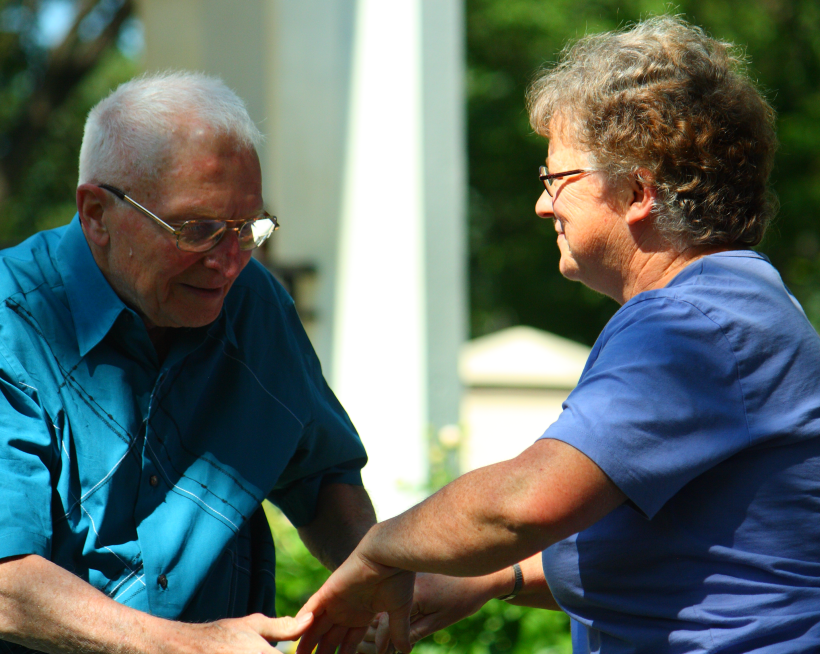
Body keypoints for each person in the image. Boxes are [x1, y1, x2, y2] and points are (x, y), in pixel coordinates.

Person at [293, 16, 820, 654]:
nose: (544, 205)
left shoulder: (688, 325)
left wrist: (379, 551)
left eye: (557, 179)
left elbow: (522, 502)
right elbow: (669, 545)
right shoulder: (738, 304)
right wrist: (492, 580)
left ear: (636, 191)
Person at [0, 72, 377, 654]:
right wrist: (189, 646)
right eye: (197, 230)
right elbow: (6, 581)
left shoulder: (256, 305)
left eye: (247, 227)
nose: (229, 263)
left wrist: (375, 586)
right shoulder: (12, 322)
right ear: (97, 213)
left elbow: (323, 475)